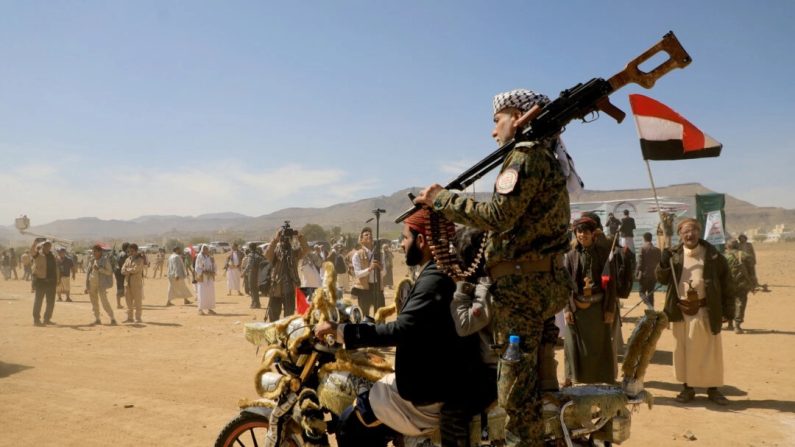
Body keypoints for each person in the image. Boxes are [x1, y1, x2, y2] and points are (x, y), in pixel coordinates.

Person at [414, 88, 573, 446]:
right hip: (538, 283)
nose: (493, 131)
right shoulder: (545, 157)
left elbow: (499, 215)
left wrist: (440, 199)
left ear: (518, 117)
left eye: (497, 121)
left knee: (515, 396)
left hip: (522, 289)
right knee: (531, 383)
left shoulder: (524, 156)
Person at [314, 209, 492, 447]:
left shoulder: (436, 277)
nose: (402, 245)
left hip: (429, 389)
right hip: (441, 377)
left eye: (405, 239)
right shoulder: (441, 271)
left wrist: (342, 331)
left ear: (422, 241)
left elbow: (402, 330)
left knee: (351, 422)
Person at [657, 218, 733, 405]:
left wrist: (727, 310)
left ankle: (713, 389)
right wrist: (663, 263)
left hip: (705, 310)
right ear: (680, 235)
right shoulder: (673, 254)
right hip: (681, 311)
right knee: (683, 351)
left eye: (693, 231)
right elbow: (662, 279)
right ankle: (687, 389)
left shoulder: (713, 255)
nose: (689, 235)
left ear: (699, 232)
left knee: (710, 352)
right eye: (685, 232)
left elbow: (727, 284)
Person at [562, 217, 618, 386]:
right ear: (575, 233)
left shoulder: (603, 254)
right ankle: (571, 378)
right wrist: (567, 309)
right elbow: (565, 284)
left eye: (586, 232)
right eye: (579, 232)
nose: (582, 235)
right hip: (576, 308)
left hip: (597, 308)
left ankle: (601, 379)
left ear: (593, 233)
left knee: (599, 346)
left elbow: (612, 283)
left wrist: (609, 309)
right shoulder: (571, 255)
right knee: (572, 345)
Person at [264, 227, 309, 321]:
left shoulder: (295, 251)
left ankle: (286, 333)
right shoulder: (276, 250)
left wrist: (300, 237)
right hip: (276, 287)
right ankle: (275, 333)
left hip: (290, 287)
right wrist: (275, 240)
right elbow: (267, 255)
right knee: (273, 316)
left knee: (289, 316)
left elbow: (306, 250)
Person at [351, 227, 386, 317]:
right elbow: (357, 273)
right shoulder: (357, 255)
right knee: (364, 315)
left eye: (370, 234)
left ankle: (380, 331)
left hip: (378, 287)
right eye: (366, 234)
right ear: (361, 240)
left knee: (380, 314)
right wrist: (370, 269)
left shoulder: (380, 254)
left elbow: (384, 273)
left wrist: (380, 268)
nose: (369, 235)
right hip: (364, 289)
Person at [724, 240, 755, 334]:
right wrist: (753, 284)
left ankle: (729, 323)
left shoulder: (724, 257)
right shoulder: (746, 256)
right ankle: (737, 325)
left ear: (728, 247)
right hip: (742, 284)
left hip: (727, 284)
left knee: (729, 303)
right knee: (740, 303)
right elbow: (752, 272)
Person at [84, 244, 117, 325]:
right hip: (92, 283)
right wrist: (86, 285)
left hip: (101, 284)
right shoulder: (92, 260)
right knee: (94, 302)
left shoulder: (105, 261)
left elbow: (109, 272)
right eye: (93, 251)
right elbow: (88, 273)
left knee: (104, 301)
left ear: (100, 252)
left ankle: (112, 318)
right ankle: (97, 318)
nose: (93, 253)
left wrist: (99, 269)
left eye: (95, 251)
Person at [30, 240, 59, 326]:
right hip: (41, 281)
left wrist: (57, 279)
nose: (47, 247)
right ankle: (36, 320)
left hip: (51, 282)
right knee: (38, 301)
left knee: (50, 302)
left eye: (49, 246)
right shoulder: (38, 255)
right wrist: (35, 243)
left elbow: (55, 268)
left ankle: (47, 319)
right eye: (45, 246)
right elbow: (32, 251)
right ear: (42, 246)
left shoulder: (52, 256)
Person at [636, 232, 662, 310]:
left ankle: (649, 306)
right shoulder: (657, 250)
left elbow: (640, 263)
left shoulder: (642, 248)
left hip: (644, 274)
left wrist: (637, 273)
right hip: (654, 275)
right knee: (651, 293)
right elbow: (660, 263)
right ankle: (652, 310)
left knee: (641, 292)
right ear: (651, 238)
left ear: (644, 239)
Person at [121, 243, 146, 323]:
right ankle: (130, 318)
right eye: (129, 251)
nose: (130, 252)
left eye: (132, 251)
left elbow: (135, 269)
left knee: (138, 301)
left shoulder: (140, 260)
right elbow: (122, 270)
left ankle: (138, 318)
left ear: (136, 251)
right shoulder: (127, 259)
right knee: (128, 302)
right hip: (127, 283)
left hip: (136, 283)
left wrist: (128, 270)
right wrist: (129, 270)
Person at [194, 244, 217, 315]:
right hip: (203, 277)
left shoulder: (210, 257)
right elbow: (197, 267)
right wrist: (204, 272)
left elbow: (214, 265)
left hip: (210, 277)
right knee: (202, 293)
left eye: (207, 249)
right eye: (204, 249)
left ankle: (209, 309)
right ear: (202, 249)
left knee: (210, 293)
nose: (206, 250)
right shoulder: (199, 256)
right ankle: (200, 309)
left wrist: (214, 271)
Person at [244, 243, 265, 309]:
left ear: (250, 248)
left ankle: (255, 303)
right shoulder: (259, 255)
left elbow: (249, 265)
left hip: (252, 273)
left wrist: (244, 272)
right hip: (258, 273)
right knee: (255, 289)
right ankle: (256, 303)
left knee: (252, 288)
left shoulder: (251, 255)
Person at [114, 242, 129, 310]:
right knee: (124, 288)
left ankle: (118, 304)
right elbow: (125, 265)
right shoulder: (125, 255)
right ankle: (120, 304)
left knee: (119, 287)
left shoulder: (119, 254)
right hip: (121, 273)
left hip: (118, 273)